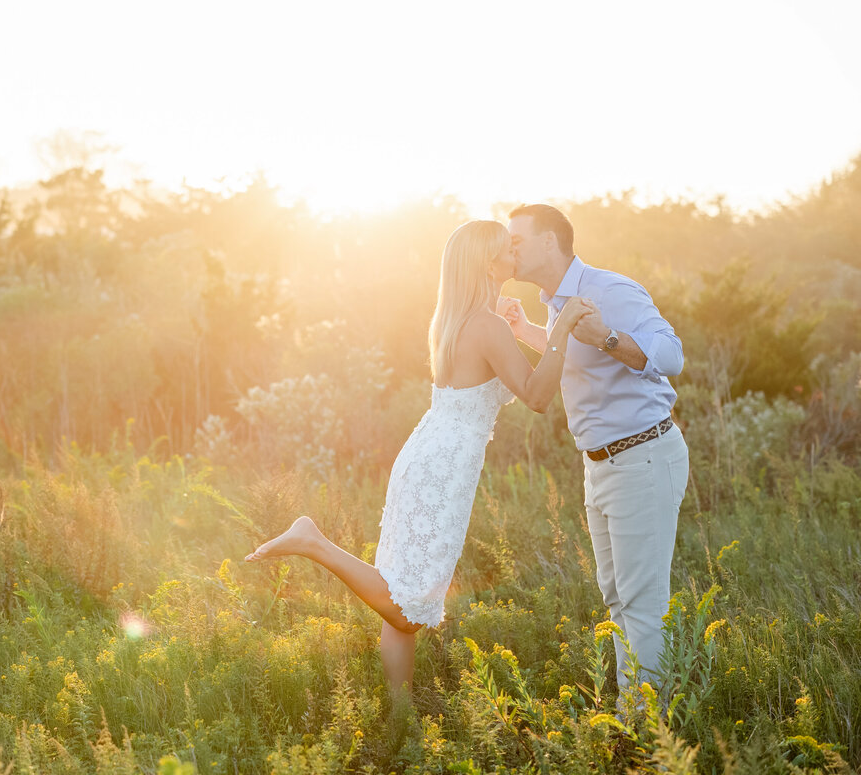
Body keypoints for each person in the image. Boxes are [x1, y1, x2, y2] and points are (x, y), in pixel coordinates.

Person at [244, 219, 592, 701]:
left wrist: (516, 326)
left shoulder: (456, 319)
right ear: (489, 262)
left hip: (426, 454)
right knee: (408, 607)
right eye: (506, 248)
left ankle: (400, 718)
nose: (515, 253)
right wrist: (562, 329)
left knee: (401, 596)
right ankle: (313, 542)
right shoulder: (485, 324)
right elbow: (535, 396)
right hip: (442, 468)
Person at [499, 203, 689, 694]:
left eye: (516, 240)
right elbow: (575, 352)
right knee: (618, 601)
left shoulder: (610, 290)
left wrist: (607, 335)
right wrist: (525, 333)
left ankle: (651, 742)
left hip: (642, 456)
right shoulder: (553, 300)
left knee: (642, 603)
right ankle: (638, 722)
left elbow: (671, 355)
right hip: (600, 465)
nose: (508, 250)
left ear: (548, 242)